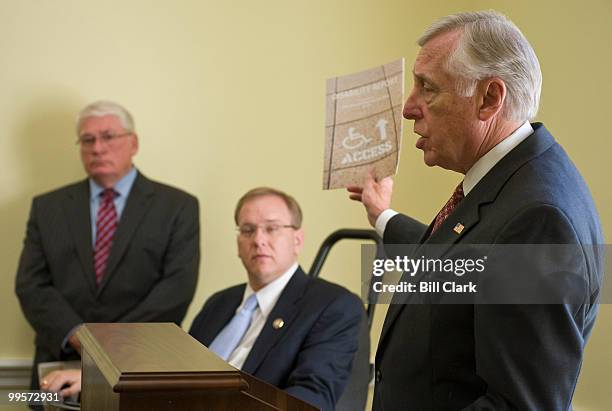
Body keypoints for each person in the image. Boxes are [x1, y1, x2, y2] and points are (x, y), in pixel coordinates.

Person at [348, 10, 603, 411]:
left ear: (489, 99)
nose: (408, 108)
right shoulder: (513, 180)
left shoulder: (538, 218)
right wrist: (382, 215)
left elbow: (518, 405)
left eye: (427, 88)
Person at [16, 100, 200, 396]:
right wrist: (77, 336)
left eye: (108, 137)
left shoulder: (178, 207)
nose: (97, 148)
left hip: (141, 369)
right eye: (87, 140)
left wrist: (110, 346)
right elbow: (30, 285)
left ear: (134, 143)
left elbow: (176, 290)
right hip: (57, 364)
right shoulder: (48, 208)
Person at [190, 187, 366, 411]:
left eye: (271, 228)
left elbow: (311, 397)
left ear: (297, 240)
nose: (258, 240)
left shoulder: (333, 305)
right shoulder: (218, 304)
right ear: (238, 244)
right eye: (248, 230)